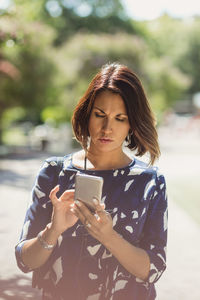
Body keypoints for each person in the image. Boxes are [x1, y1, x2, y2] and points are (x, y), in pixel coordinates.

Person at [15, 62, 168, 300]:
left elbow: (154, 269)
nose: (107, 128)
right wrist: (54, 230)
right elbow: (25, 262)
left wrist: (109, 237)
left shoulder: (150, 182)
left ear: (132, 123)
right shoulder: (54, 172)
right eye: (100, 115)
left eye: (120, 118)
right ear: (87, 114)